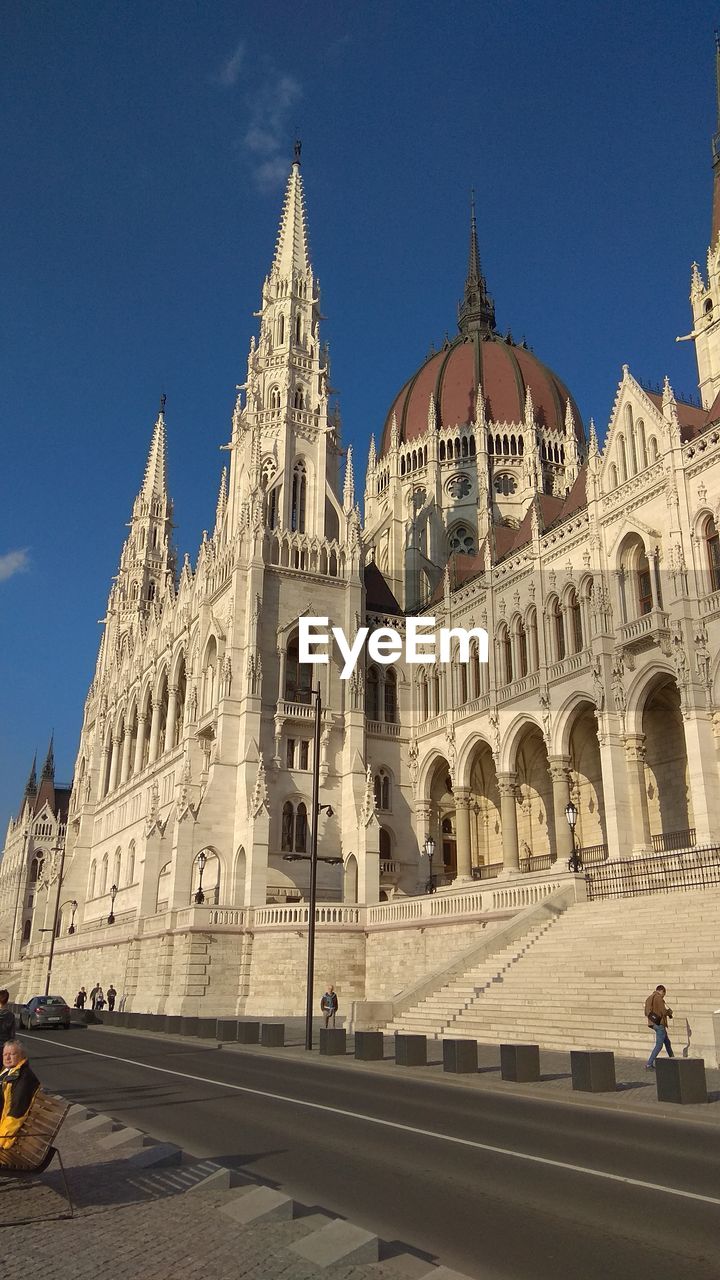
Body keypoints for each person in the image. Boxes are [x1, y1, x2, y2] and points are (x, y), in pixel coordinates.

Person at [0, 1039, 40, 1165]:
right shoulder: (8, 1073)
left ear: (22, 1056)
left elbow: (16, 1113)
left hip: (6, 1136)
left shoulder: (23, 1078)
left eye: (12, 1054)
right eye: (5, 1054)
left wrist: (1, 1140)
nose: (7, 1057)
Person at [645, 984, 674, 1069]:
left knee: (667, 1043)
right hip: (659, 1023)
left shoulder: (649, 998)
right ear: (662, 991)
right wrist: (669, 1012)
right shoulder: (658, 998)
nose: (664, 995)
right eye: (664, 993)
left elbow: (646, 1012)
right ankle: (649, 1064)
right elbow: (663, 1011)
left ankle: (673, 1059)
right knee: (659, 1045)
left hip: (653, 1022)